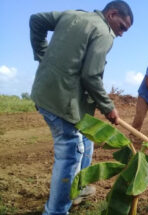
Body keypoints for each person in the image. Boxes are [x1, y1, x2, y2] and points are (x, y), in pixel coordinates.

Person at [29, 1, 133, 214]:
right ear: (112, 14)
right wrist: (108, 107)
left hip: (43, 93)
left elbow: (36, 19)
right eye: (122, 27)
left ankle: (78, 189)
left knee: (86, 138)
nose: (121, 34)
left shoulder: (72, 15)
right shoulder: (104, 33)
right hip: (63, 104)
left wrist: (42, 53)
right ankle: (56, 211)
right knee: (70, 153)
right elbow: (91, 76)